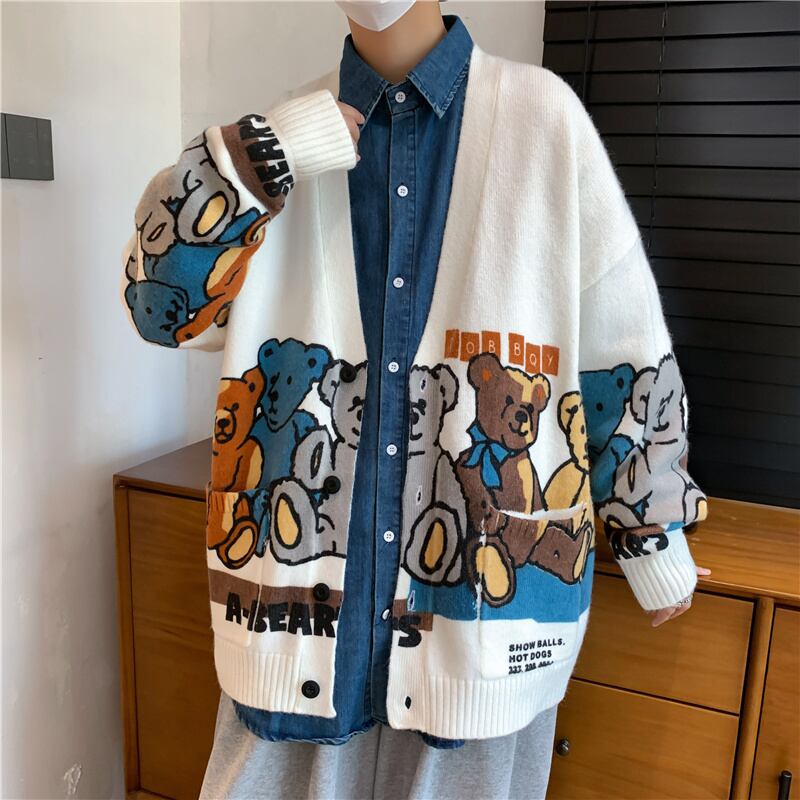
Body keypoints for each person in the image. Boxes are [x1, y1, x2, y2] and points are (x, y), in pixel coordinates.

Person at [120, 1, 712, 797]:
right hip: (293, 640)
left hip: (479, 653)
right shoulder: (280, 146)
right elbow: (157, 306)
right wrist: (256, 158)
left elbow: (621, 345)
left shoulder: (543, 120)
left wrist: (653, 537)